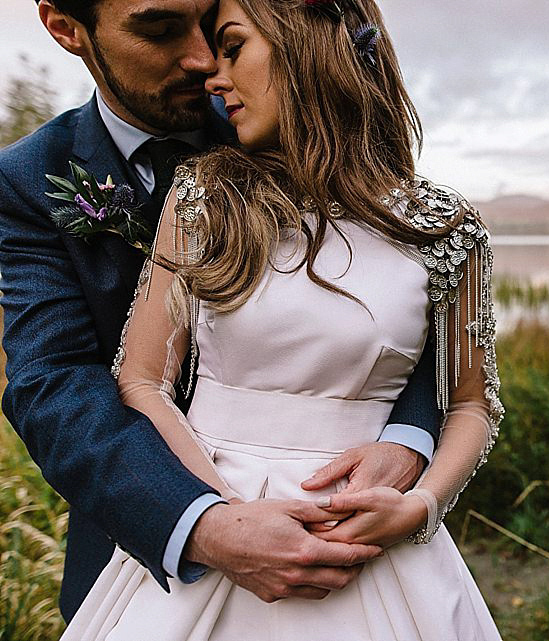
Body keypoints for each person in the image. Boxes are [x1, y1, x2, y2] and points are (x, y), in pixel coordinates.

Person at [57, 0, 504, 637]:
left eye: (232, 47)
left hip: (366, 548)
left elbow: (470, 402)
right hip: (212, 521)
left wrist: (420, 507)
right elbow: (142, 379)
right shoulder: (207, 194)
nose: (212, 74)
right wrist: (220, 515)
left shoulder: (444, 229)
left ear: (309, 45)